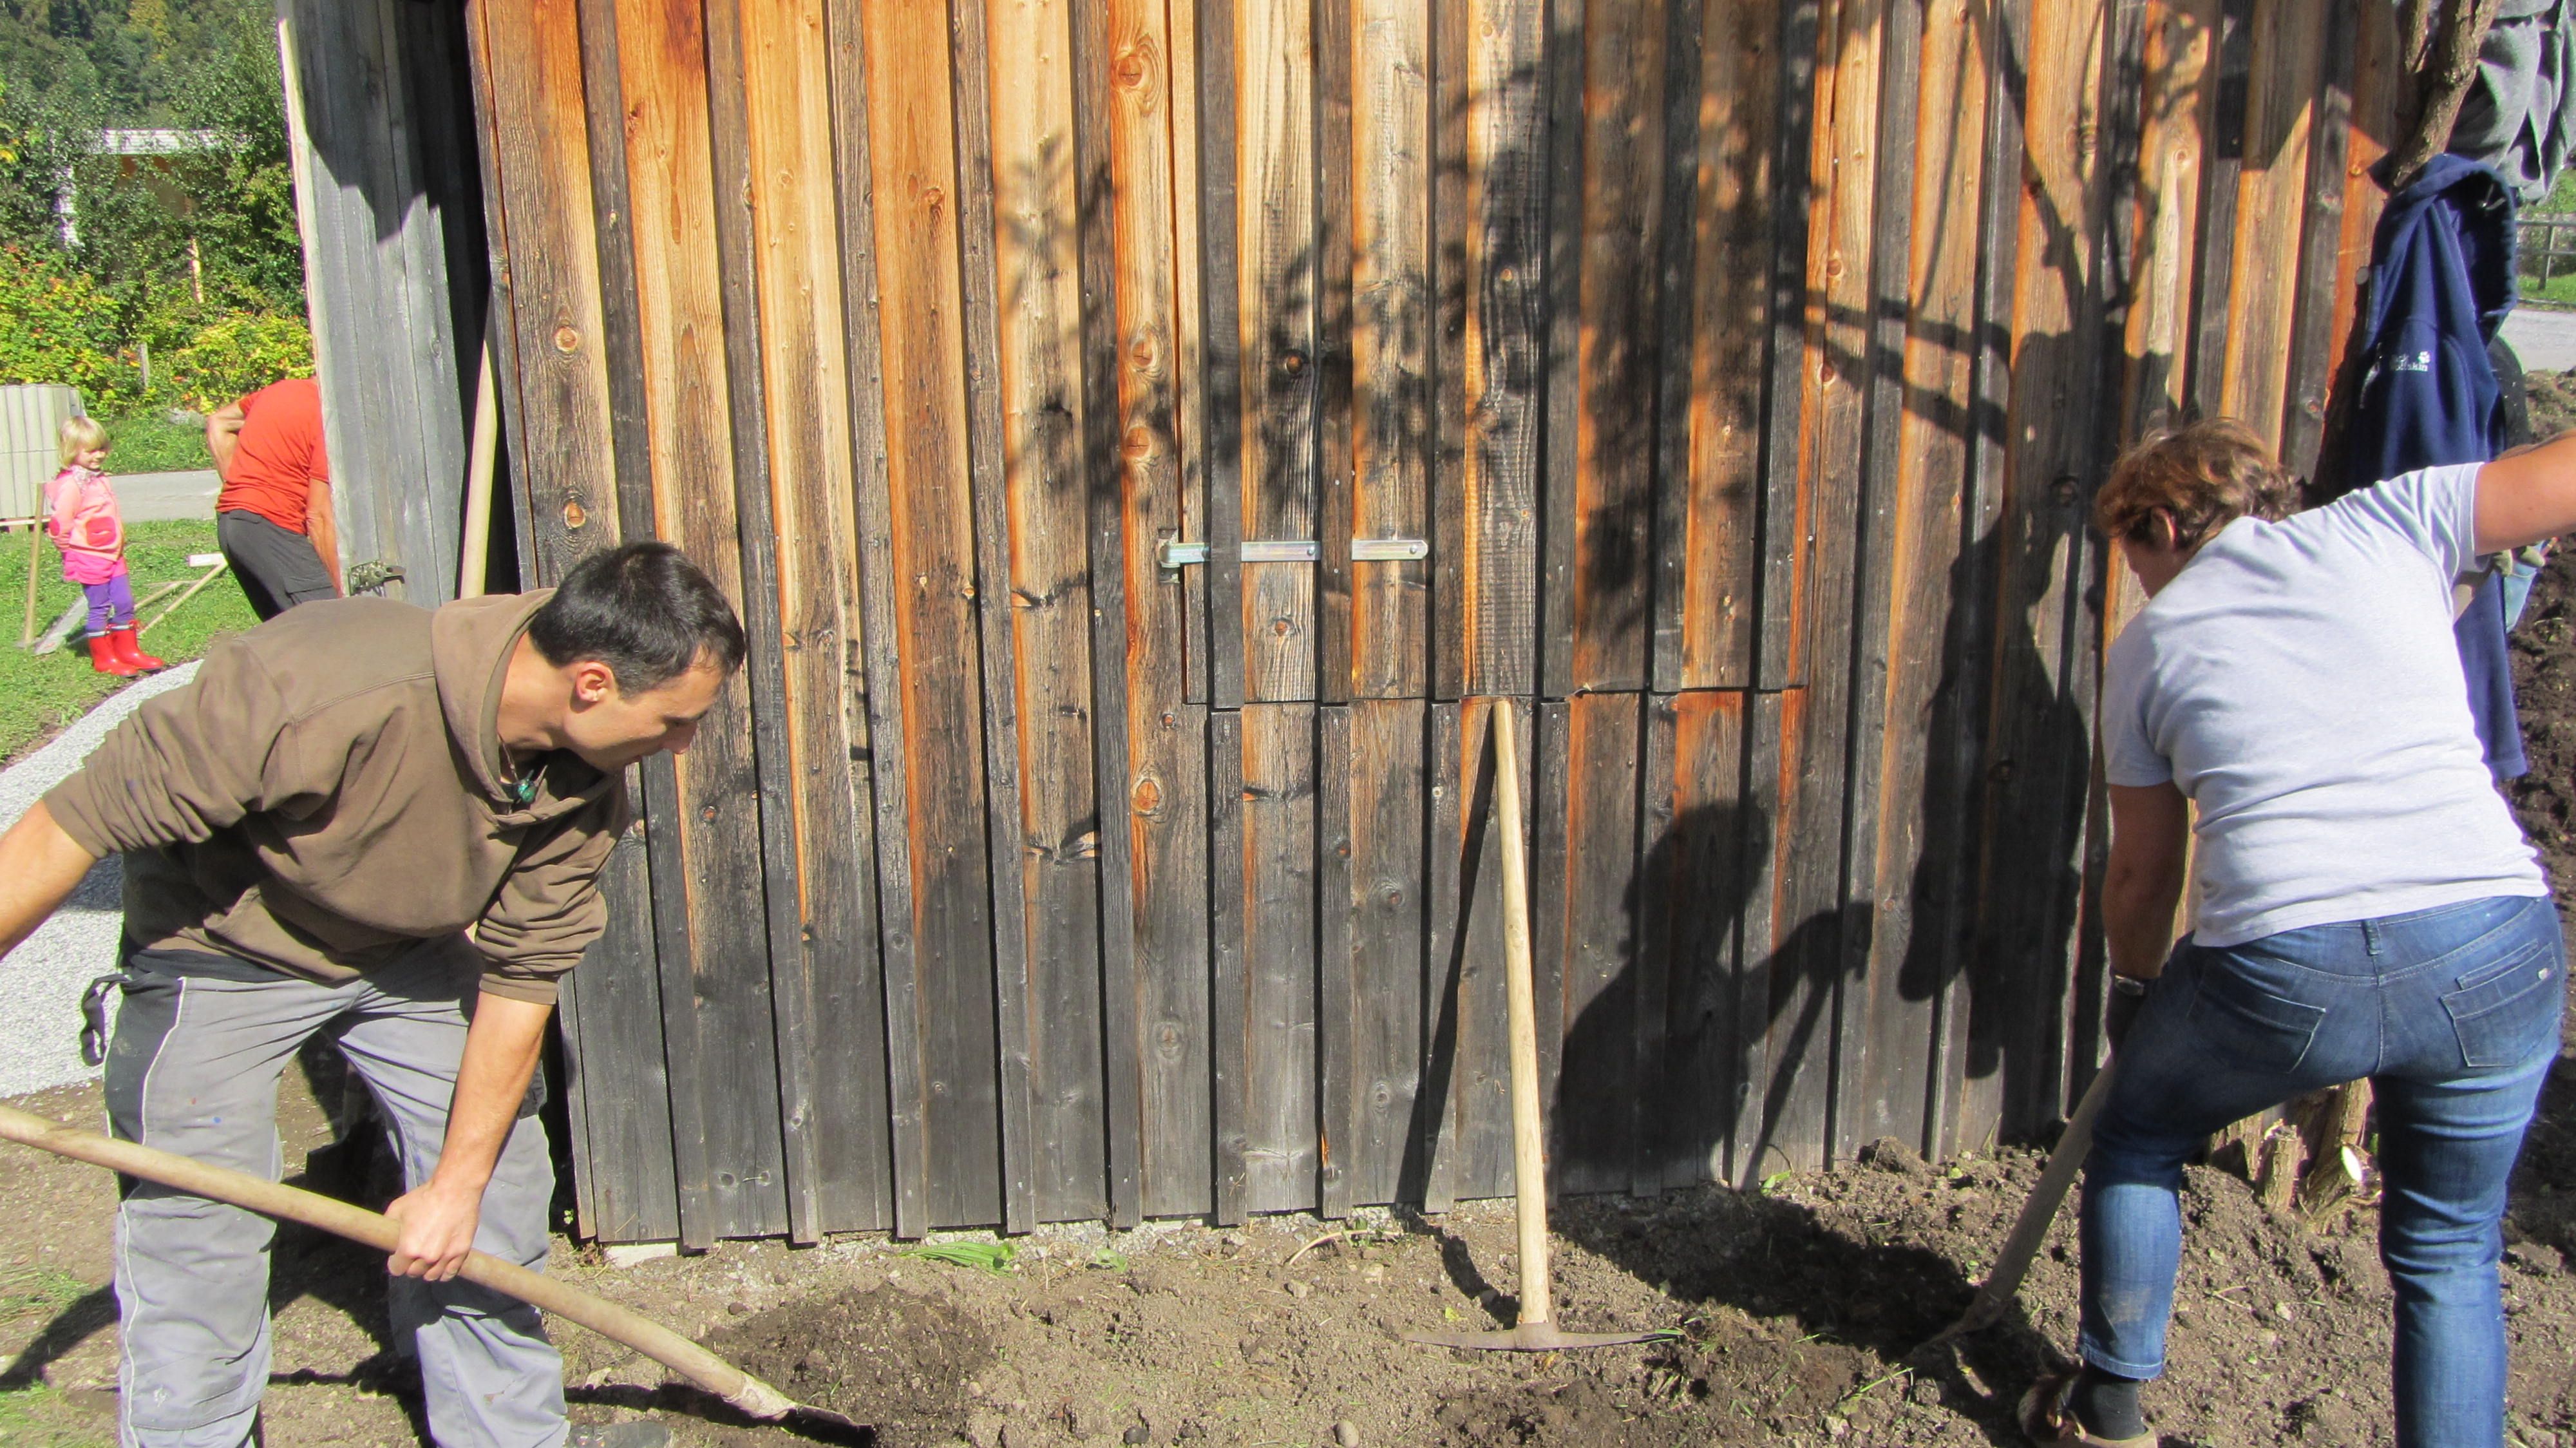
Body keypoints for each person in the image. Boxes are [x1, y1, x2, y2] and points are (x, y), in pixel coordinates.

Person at [0, 541, 743, 1448]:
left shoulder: (582, 783)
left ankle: (506, 1436)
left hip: (403, 951)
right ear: (592, 683)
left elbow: (522, 978)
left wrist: (455, 1189)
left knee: (495, 1185)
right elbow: (66, 826)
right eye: (675, 721)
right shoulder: (326, 685)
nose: (682, 746)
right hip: (224, 944)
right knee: (199, 1226)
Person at [2028, 419, 2575, 1448]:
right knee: (2450, 1250)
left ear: (2164, 526)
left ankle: (2108, 1411)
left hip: (2292, 963)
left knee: (2139, 1135)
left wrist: (2135, 993)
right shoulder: (2402, 520)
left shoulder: (2149, 648)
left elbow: (2144, 872)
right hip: (2494, 944)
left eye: (2134, 557)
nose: (2139, 584)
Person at [206, 376, 340, 618]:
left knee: (287, 632)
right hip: (272, 530)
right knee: (333, 621)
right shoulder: (329, 418)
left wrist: (239, 489)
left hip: (231, 526)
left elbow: (219, 422)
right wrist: (342, 591)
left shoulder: (280, 391)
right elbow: (319, 517)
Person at [46, 416, 166, 677]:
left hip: (113, 554)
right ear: (72, 451)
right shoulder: (72, 485)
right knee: (100, 607)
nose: (99, 455)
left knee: (124, 602)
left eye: (102, 448)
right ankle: (104, 658)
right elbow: (59, 525)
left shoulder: (98, 478)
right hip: (89, 556)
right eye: (90, 451)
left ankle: (128, 650)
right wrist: (69, 553)